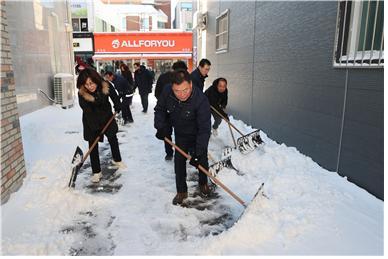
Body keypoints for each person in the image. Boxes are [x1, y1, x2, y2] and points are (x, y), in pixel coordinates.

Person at [154, 69, 212, 205]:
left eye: (185, 90)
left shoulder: (201, 100)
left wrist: (197, 152)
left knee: (201, 160)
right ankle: (181, 191)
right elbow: (160, 109)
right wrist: (160, 126)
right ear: (172, 87)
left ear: (191, 85)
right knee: (179, 162)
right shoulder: (167, 91)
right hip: (180, 133)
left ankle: (203, 183)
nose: (181, 95)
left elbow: (204, 129)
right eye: (177, 91)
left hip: (198, 133)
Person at [77, 68, 126, 183]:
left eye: (91, 83)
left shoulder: (105, 85)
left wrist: (117, 105)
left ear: (96, 80)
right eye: (86, 84)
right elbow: (88, 111)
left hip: (107, 116)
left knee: (113, 137)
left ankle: (117, 160)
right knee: (93, 145)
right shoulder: (82, 94)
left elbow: (114, 95)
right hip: (91, 120)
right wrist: (96, 129)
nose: (89, 86)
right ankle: (96, 172)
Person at [154, 60, 188, 161]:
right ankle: (178, 153)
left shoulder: (163, 77)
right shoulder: (183, 79)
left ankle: (170, 153)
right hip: (173, 112)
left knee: (168, 133)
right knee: (175, 133)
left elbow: (157, 94)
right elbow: (158, 94)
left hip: (171, 111)